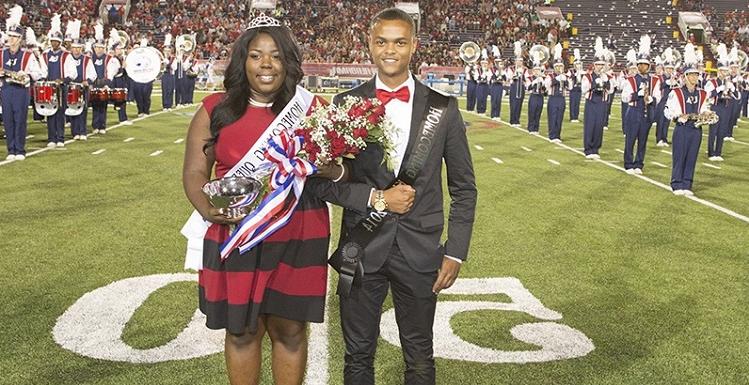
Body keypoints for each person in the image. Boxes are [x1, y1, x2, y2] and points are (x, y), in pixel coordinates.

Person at [319, 8, 476, 385]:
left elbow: (464, 187)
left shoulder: (444, 109)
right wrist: (376, 198)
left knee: (420, 356)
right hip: (362, 247)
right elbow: (323, 183)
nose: (390, 50)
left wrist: (454, 251)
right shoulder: (344, 105)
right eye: (382, 42)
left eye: (400, 42)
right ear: (370, 46)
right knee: (357, 356)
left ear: (414, 46)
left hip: (421, 251)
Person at [182, 14, 336, 385]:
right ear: (242, 61)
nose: (266, 64)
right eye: (256, 55)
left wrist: (327, 164)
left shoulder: (312, 110)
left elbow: (336, 168)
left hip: (298, 228)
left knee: (290, 330)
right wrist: (209, 209)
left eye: (276, 56)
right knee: (240, 331)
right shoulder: (214, 108)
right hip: (235, 229)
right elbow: (194, 173)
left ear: (289, 62)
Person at [664, 43, 710, 196]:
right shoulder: (676, 92)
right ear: (685, 76)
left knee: (692, 156)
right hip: (682, 128)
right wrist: (678, 116)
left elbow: (704, 108)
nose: (694, 77)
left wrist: (706, 114)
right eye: (691, 74)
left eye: (696, 75)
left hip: (696, 129)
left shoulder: (702, 93)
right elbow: (667, 111)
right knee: (680, 156)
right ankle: (677, 184)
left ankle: (687, 184)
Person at [1, 5, 44, 160]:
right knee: (7, 120)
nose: (10, 40)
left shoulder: (27, 55)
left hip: (20, 91)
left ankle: (20, 149)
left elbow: (38, 74)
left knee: (20, 120)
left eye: (14, 37)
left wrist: (25, 74)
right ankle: (11, 150)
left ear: (20, 39)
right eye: (9, 36)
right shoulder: (1, 54)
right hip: (5, 89)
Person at [621, 35, 661, 175]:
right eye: (640, 64)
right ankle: (628, 163)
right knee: (630, 139)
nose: (642, 67)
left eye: (645, 64)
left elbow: (658, 96)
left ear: (649, 65)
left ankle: (639, 163)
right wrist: (636, 95)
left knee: (643, 140)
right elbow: (625, 97)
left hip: (647, 112)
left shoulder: (655, 80)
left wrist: (650, 99)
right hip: (633, 111)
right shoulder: (630, 79)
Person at [42, 14, 78, 147]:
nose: (54, 43)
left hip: (61, 87)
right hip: (48, 87)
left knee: (60, 112)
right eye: (52, 41)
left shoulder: (66, 55)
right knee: (49, 112)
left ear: (60, 42)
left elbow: (73, 72)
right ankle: (51, 138)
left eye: (57, 41)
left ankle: (60, 138)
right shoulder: (45, 54)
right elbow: (42, 70)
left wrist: (62, 80)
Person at [704, 43, 739, 162]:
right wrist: (717, 90)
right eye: (723, 71)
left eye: (726, 71)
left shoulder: (728, 83)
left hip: (726, 107)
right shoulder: (712, 82)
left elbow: (737, 97)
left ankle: (718, 152)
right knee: (713, 130)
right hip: (715, 107)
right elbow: (707, 95)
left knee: (722, 130)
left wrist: (733, 88)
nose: (725, 73)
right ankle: (711, 152)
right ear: (719, 71)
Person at [581, 37, 612, 159]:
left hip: (602, 103)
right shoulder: (588, 76)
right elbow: (584, 89)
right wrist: (594, 84)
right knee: (590, 125)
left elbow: (611, 90)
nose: (600, 67)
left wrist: (606, 82)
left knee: (599, 126)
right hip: (591, 102)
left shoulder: (606, 76)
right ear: (594, 65)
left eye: (602, 64)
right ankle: (588, 149)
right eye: (598, 64)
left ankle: (596, 148)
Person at [68, 20, 97, 141]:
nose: (76, 50)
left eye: (78, 48)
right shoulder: (67, 57)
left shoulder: (86, 59)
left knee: (83, 110)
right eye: (74, 48)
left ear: (81, 48)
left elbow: (93, 74)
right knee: (72, 109)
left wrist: (88, 81)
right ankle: (75, 132)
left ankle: (83, 131)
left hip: (82, 87)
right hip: (71, 87)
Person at [90, 23, 120, 134]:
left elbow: (112, 69)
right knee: (95, 106)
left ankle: (102, 126)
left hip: (104, 83)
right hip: (94, 83)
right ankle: (95, 126)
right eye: (97, 47)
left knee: (103, 105)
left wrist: (107, 82)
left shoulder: (108, 58)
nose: (99, 50)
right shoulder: (90, 58)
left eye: (101, 48)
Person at [507, 41, 526, 127]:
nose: (519, 63)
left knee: (519, 103)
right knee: (513, 103)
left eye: (521, 61)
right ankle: (512, 120)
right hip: (514, 87)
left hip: (521, 87)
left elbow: (527, 79)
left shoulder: (524, 69)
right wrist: (515, 74)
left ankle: (517, 120)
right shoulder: (511, 68)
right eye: (518, 61)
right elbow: (509, 77)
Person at [161, 34, 176, 111]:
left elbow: (174, 67)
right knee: (164, 90)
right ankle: (165, 105)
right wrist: (164, 62)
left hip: (171, 75)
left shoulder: (173, 58)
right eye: (165, 50)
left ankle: (169, 105)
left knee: (170, 90)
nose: (167, 51)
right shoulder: (162, 58)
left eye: (168, 50)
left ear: (171, 50)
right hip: (164, 75)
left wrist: (168, 63)